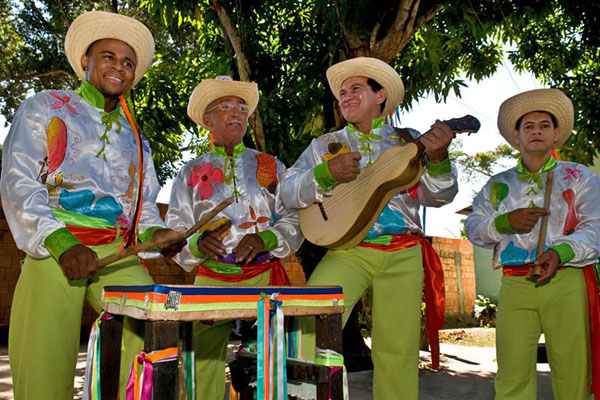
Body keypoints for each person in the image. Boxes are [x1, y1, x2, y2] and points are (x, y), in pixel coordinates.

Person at [0, 11, 185, 399]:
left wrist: (158, 235)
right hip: (54, 247)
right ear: (85, 60)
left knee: (154, 340)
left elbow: (143, 208)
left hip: (118, 252)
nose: (119, 67)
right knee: (43, 366)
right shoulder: (45, 107)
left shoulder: (138, 139)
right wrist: (63, 244)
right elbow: (19, 182)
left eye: (128, 62)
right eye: (108, 57)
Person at [280, 57, 457, 399]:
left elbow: (439, 196)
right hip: (349, 250)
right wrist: (324, 174)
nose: (345, 96)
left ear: (381, 96)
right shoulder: (324, 145)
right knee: (306, 322)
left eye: (356, 88)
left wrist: (438, 159)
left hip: (403, 252)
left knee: (398, 350)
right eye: (342, 92)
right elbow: (287, 192)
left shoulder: (408, 142)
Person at [166, 76, 304, 400]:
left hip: (265, 275)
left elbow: (295, 218)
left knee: (271, 364)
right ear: (207, 120)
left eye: (242, 108)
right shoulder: (189, 173)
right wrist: (197, 244)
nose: (237, 114)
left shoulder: (270, 166)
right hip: (212, 278)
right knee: (201, 361)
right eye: (225, 106)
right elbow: (174, 232)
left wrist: (266, 239)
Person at [466, 88, 600, 400]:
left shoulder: (578, 177)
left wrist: (560, 251)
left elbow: (596, 227)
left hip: (567, 280)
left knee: (572, 370)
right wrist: (504, 222)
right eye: (528, 126)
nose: (536, 131)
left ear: (556, 136)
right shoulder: (497, 184)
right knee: (512, 372)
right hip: (515, 283)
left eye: (544, 125)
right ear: (516, 136)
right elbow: (474, 227)